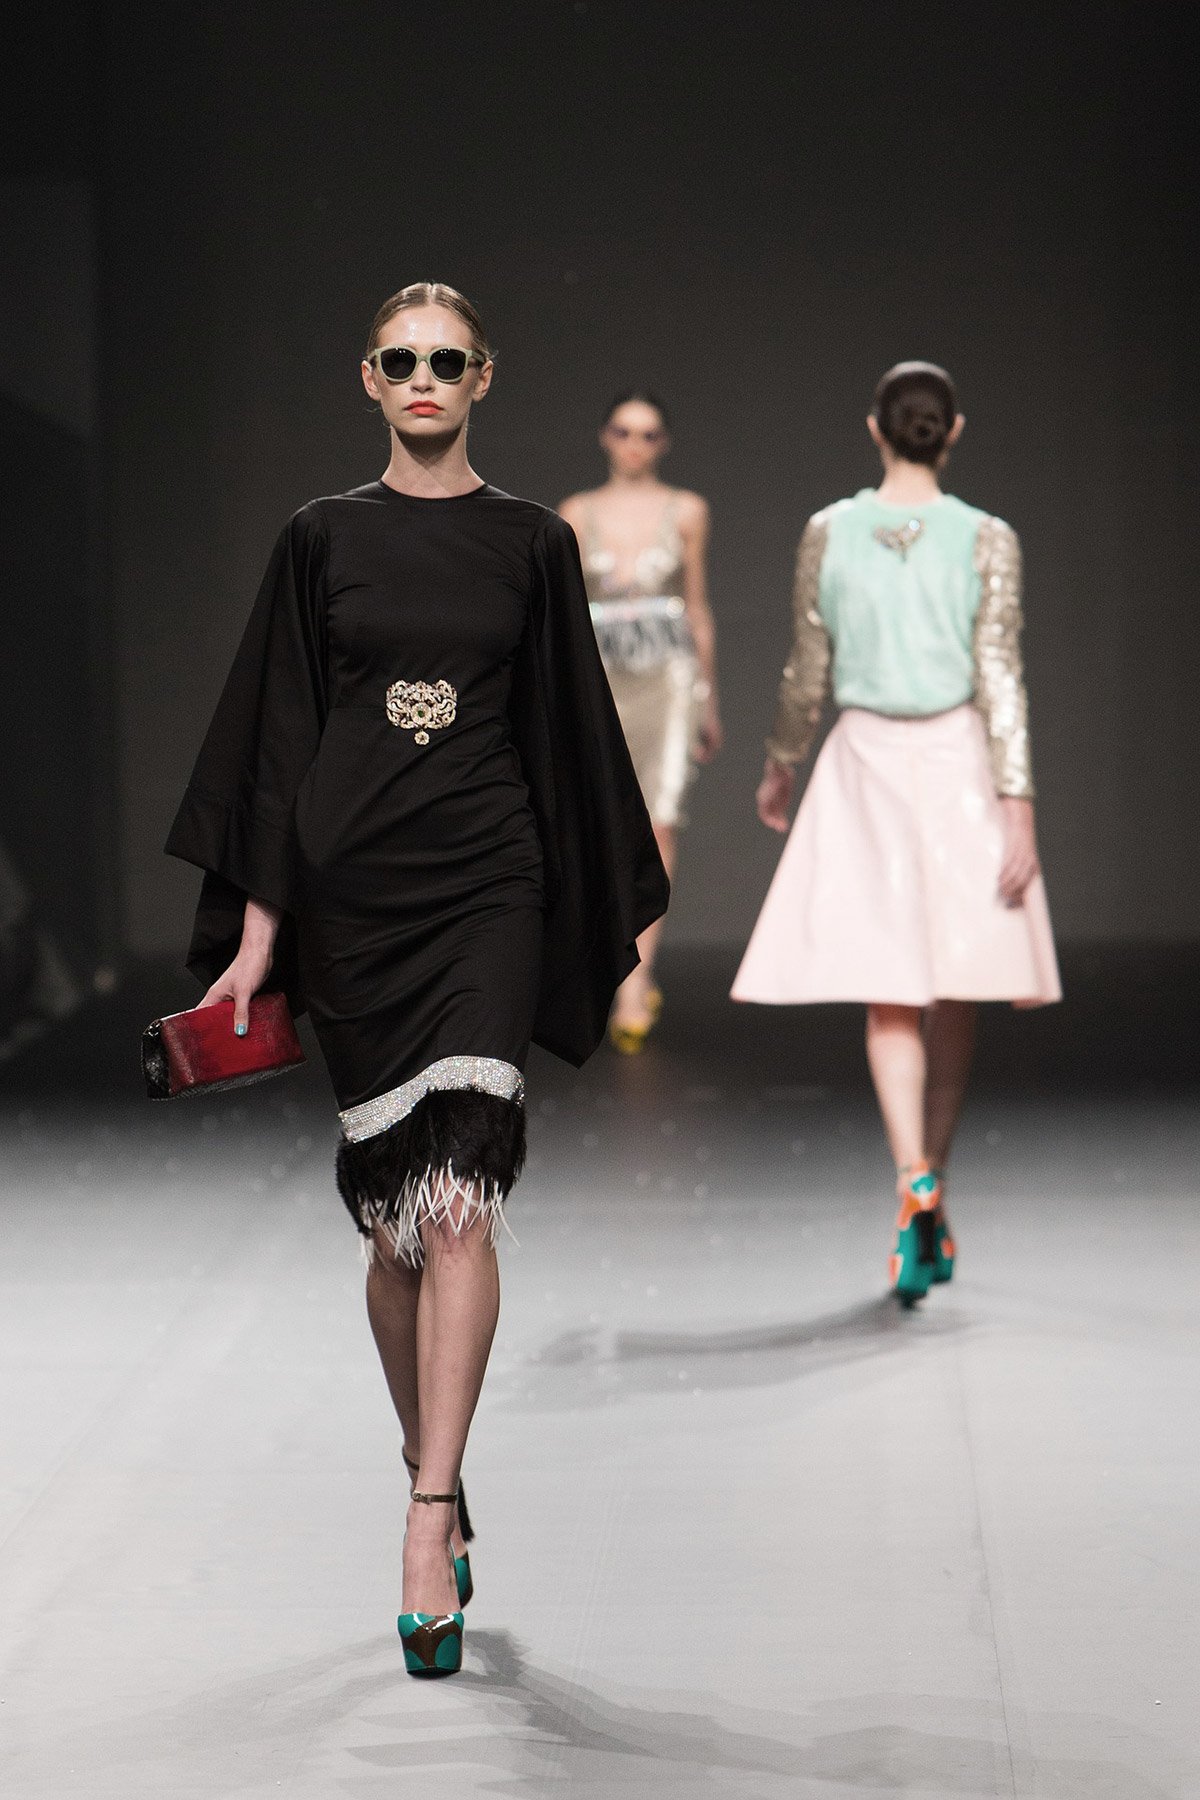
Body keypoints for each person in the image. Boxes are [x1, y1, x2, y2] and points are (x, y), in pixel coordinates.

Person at [165, 282, 668, 1676]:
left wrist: (577, 903)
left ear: (484, 376)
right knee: (393, 1233)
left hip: (488, 883)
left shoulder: (533, 541)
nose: (425, 376)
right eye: (403, 360)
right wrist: (259, 936)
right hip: (356, 898)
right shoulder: (320, 539)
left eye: (449, 358)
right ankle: (428, 1460)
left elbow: (569, 727)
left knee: (459, 1201)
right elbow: (277, 742)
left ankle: (427, 1516)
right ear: (371, 379)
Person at [732, 361, 1060, 1304]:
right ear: (952, 432)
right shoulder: (987, 536)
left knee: (890, 992)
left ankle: (914, 1176)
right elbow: (1000, 673)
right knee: (954, 985)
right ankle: (933, 1185)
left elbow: (808, 663)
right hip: (958, 761)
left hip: (866, 760)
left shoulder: (830, 530)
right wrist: (1019, 802)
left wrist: (781, 761)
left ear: (875, 429)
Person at [559, 393, 721, 1051]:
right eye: (624, 431)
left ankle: (635, 981)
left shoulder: (688, 510)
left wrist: (711, 699)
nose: (635, 444)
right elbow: (566, 613)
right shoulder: (576, 513)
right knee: (602, 826)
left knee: (660, 822)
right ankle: (612, 965)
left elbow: (697, 605)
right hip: (601, 675)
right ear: (605, 436)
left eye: (649, 434)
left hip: (669, 676)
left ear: (664, 443)